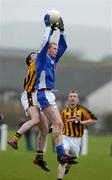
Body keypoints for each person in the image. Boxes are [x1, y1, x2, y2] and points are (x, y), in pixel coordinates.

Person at [34, 14, 76, 165]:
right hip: (43, 94)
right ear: (48, 50)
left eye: (56, 48)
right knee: (58, 124)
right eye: (54, 48)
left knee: (60, 125)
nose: (56, 50)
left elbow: (64, 47)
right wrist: (47, 28)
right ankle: (60, 155)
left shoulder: (52, 59)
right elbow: (45, 43)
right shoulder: (42, 57)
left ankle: (60, 155)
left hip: (49, 94)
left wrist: (62, 32)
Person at [8, 52, 50, 172]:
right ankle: (14, 139)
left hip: (38, 96)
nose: (36, 54)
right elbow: (43, 53)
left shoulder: (38, 65)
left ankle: (39, 158)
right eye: (33, 54)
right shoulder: (33, 65)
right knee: (35, 119)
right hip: (29, 95)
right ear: (30, 61)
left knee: (45, 129)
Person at [57, 90, 97, 180]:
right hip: (65, 137)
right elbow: (58, 122)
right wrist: (52, 128)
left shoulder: (82, 110)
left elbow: (94, 121)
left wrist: (80, 122)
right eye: (71, 96)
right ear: (68, 99)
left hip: (77, 140)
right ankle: (59, 178)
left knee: (70, 161)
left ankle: (67, 167)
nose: (72, 98)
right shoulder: (63, 111)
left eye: (74, 96)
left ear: (77, 99)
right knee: (63, 159)